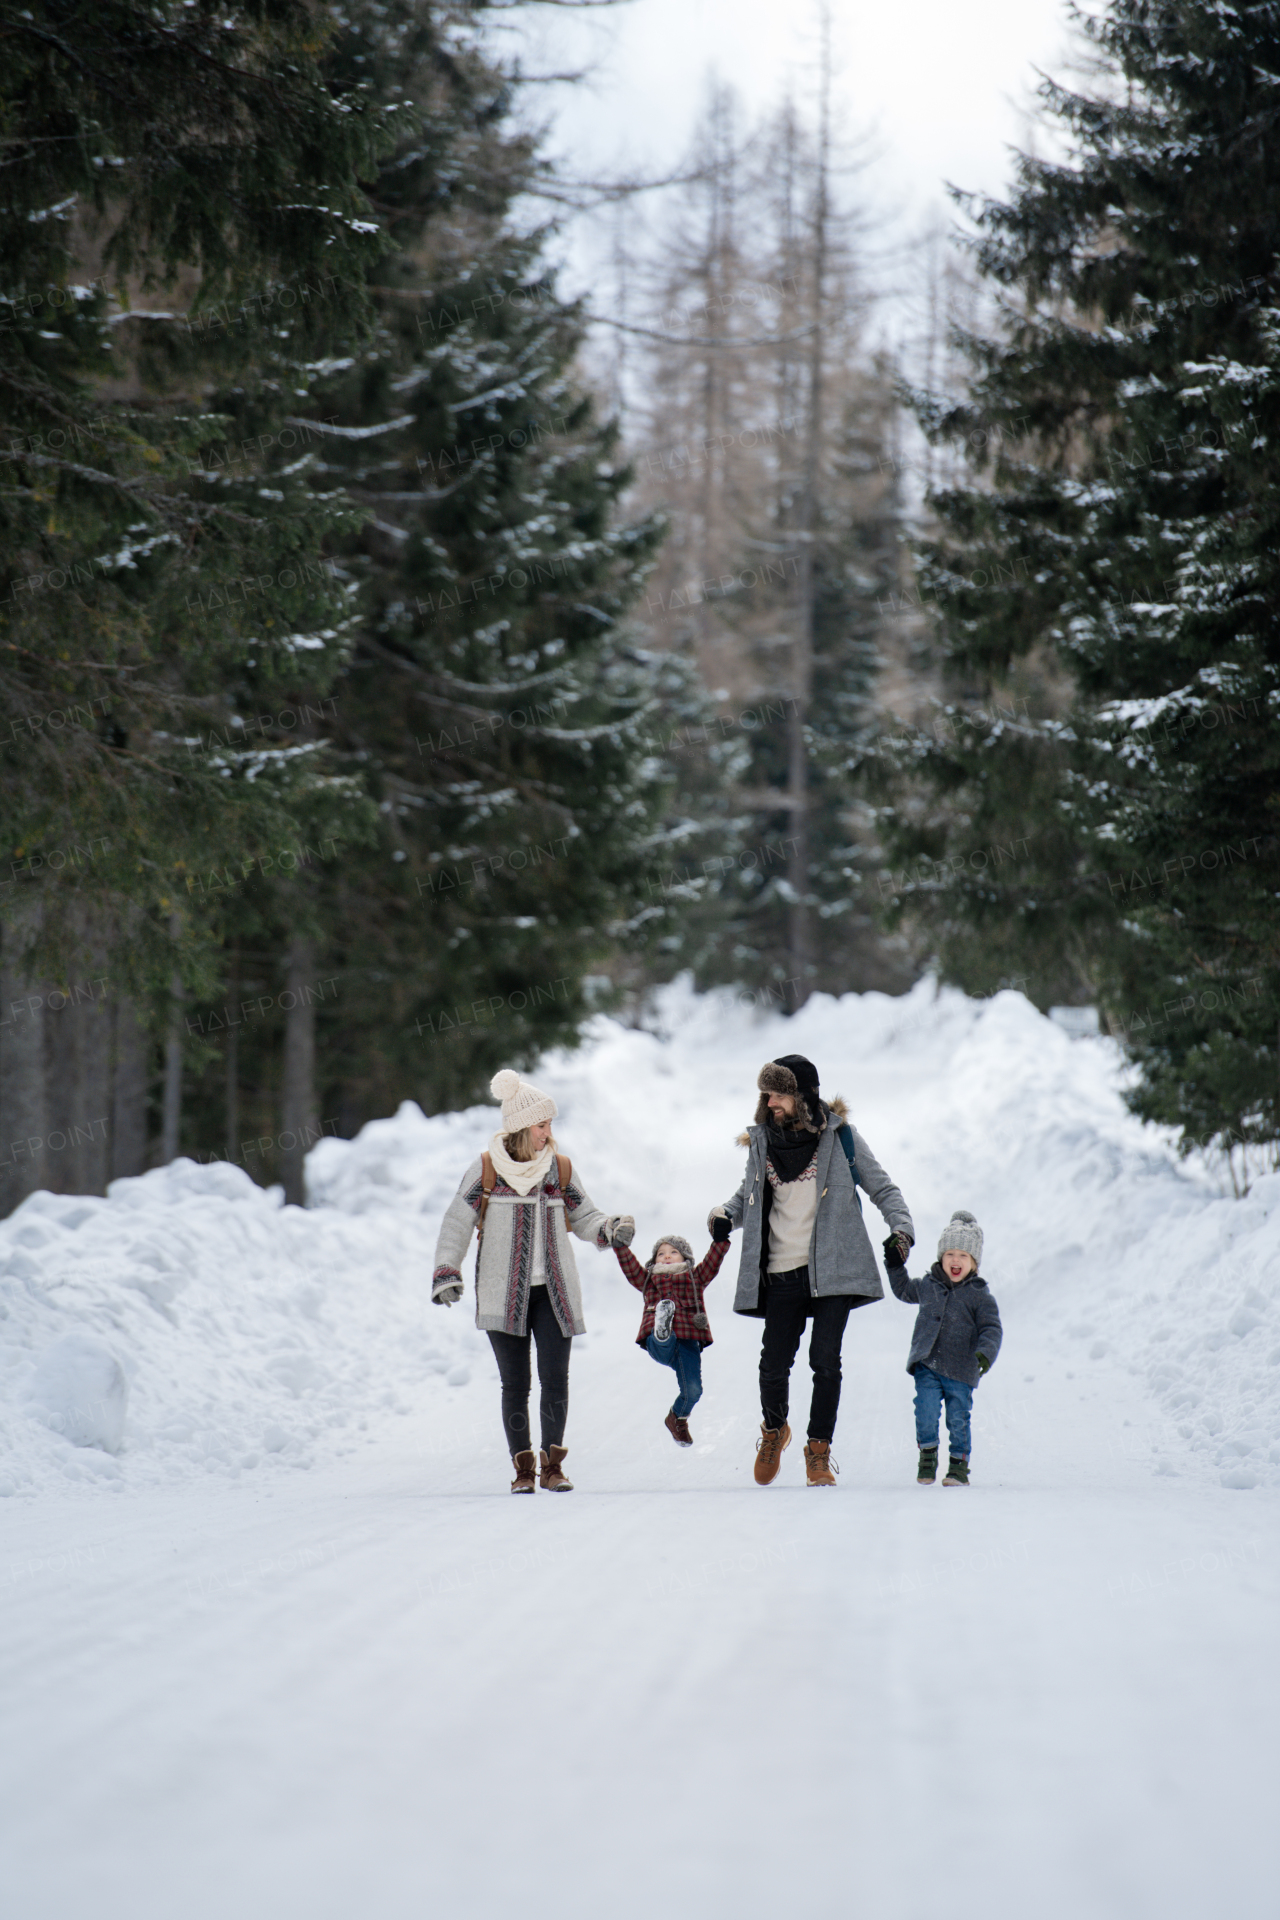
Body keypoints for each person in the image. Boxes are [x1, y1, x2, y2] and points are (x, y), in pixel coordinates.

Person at [711, 1053, 915, 1489]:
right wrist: (724, 1215)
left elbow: (883, 1187)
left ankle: (818, 1450)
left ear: (804, 1097)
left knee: (825, 1362)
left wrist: (902, 1231)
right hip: (781, 1271)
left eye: (780, 1094)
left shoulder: (841, 1140)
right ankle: (774, 1430)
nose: (771, 1103)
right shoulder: (763, 1141)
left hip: (833, 1271)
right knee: (773, 1365)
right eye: (767, 1094)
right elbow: (746, 1195)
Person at [432, 1068, 633, 1494]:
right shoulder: (487, 1170)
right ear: (523, 1127)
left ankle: (553, 1467)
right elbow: (457, 1222)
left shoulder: (558, 1170)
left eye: (550, 1124)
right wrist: (447, 1271)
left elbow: (583, 1216)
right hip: (501, 1294)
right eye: (543, 1125)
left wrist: (609, 1228)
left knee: (555, 1379)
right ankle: (523, 1470)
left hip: (553, 1293)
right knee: (516, 1384)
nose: (549, 1132)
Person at [884, 1208, 1003, 1486]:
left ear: (974, 1262)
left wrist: (985, 1352)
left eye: (963, 1255)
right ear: (941, 1257)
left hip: (961, 1369)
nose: (955, 1260)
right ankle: (927, 1455)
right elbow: (902, 1290)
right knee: (925, 1411)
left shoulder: (979, 1295)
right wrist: (893, 1264)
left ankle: (959, 1467)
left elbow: (991, 1328)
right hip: (928, 1364)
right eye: (950, 1254)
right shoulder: (929, 1285)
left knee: (958, 1419)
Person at [610, 1225, 732, 1446]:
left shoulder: (695, 1278)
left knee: (694, 1390)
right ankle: (662, 1331)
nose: (666, 1256)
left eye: (673, 1252)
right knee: (664, 1342)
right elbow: (630, 1268)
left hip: (688, 1342)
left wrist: (721, 1240)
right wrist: (621, 1246)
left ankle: (677, 1418)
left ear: (685, 1257)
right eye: (661, 1253)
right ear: (655, 1260)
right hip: (658, 1345)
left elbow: (712, 1264)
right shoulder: (648, 1281)